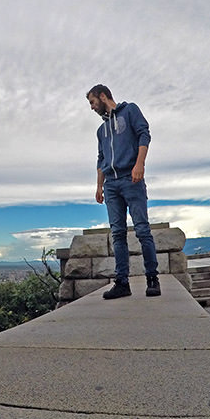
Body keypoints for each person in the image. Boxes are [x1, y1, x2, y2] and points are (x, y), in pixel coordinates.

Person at [87, 84, 160, 299]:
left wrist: (140, 164)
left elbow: (144, 135)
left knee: (142, 229)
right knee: (117, 233)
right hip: (111, 185)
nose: (91, 107)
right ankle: (122, 283)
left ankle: (152, 279)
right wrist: (99, 185)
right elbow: (101, 158)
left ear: (102, 96)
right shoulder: (101, 131)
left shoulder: (130, 111)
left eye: (92, 102)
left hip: (132, 178)